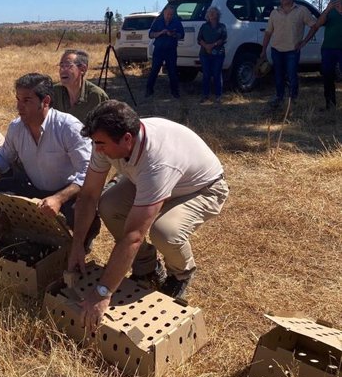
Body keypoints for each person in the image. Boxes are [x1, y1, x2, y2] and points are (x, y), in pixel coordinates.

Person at [67, 100, 229, 330]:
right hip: (146, 179)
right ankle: (147, 268)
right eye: (95, 143)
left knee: (165, 232)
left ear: (127, 139)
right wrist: (77, 245)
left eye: (101, 144)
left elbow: (134, 235)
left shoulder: (157, 162)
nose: (97, 149)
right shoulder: (106, 141)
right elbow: (89, 195)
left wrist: (102, 293)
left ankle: (181, 274)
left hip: (201, 188)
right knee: (109, 205)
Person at [0, 73, 99, 246]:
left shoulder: (68, 127)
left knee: (80, 210)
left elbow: (87, 172)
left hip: (68, 191)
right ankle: (5, 233)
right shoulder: (16, 127)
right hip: (33, 186)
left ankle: (82, 243)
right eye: (18, 99)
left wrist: (58, 199)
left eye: (27, 100)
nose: (19, 107)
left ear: (46, 101)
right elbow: (3, 156)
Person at [260, 0, 317, 107]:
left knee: (292, 75)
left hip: (292, 50)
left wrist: (304, 41)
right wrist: (263, 50)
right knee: (278, 76)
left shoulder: (302, 10)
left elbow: (314, 25)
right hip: (276, 49)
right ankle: (279, 97)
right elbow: (268, 32)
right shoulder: (274, 13)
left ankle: (293, 99)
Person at [301, 0, 342, 110]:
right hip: (328, 48)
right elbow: (317, 24)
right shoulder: (330, 10)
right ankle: (330, 105)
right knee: (328, 76)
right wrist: (328, 9)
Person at [52, 49, 109, 123]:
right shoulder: (54, 92)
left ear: (82, 69)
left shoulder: (97, 96)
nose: (62, 70)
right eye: (61, 66)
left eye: (67, 66)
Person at [146, 5, 185, 98]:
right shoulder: (158, 22)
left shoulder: (177, 22)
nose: (169, 16)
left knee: (172, 71)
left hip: (171, 50)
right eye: (168, 14)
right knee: (154, 70)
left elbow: (182, 35)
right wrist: (160, 33)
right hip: (159, 50)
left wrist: (174, 34)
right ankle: (149, 90)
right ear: (164, 13)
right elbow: (150, 35)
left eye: (171, 14)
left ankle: (175, 92)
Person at [197, 7, 228, 103]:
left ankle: (218, 95)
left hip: (218, 54)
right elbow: (199, 39)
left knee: (217, 74)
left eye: (213, 13)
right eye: (210, 12)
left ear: (217, 15)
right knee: (206, 74)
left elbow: (224, 39)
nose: (211, 14)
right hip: (204, 54)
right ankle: (205, 95)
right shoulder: (204, 26)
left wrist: (213, 45)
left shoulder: (222, 26)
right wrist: (206, 46)